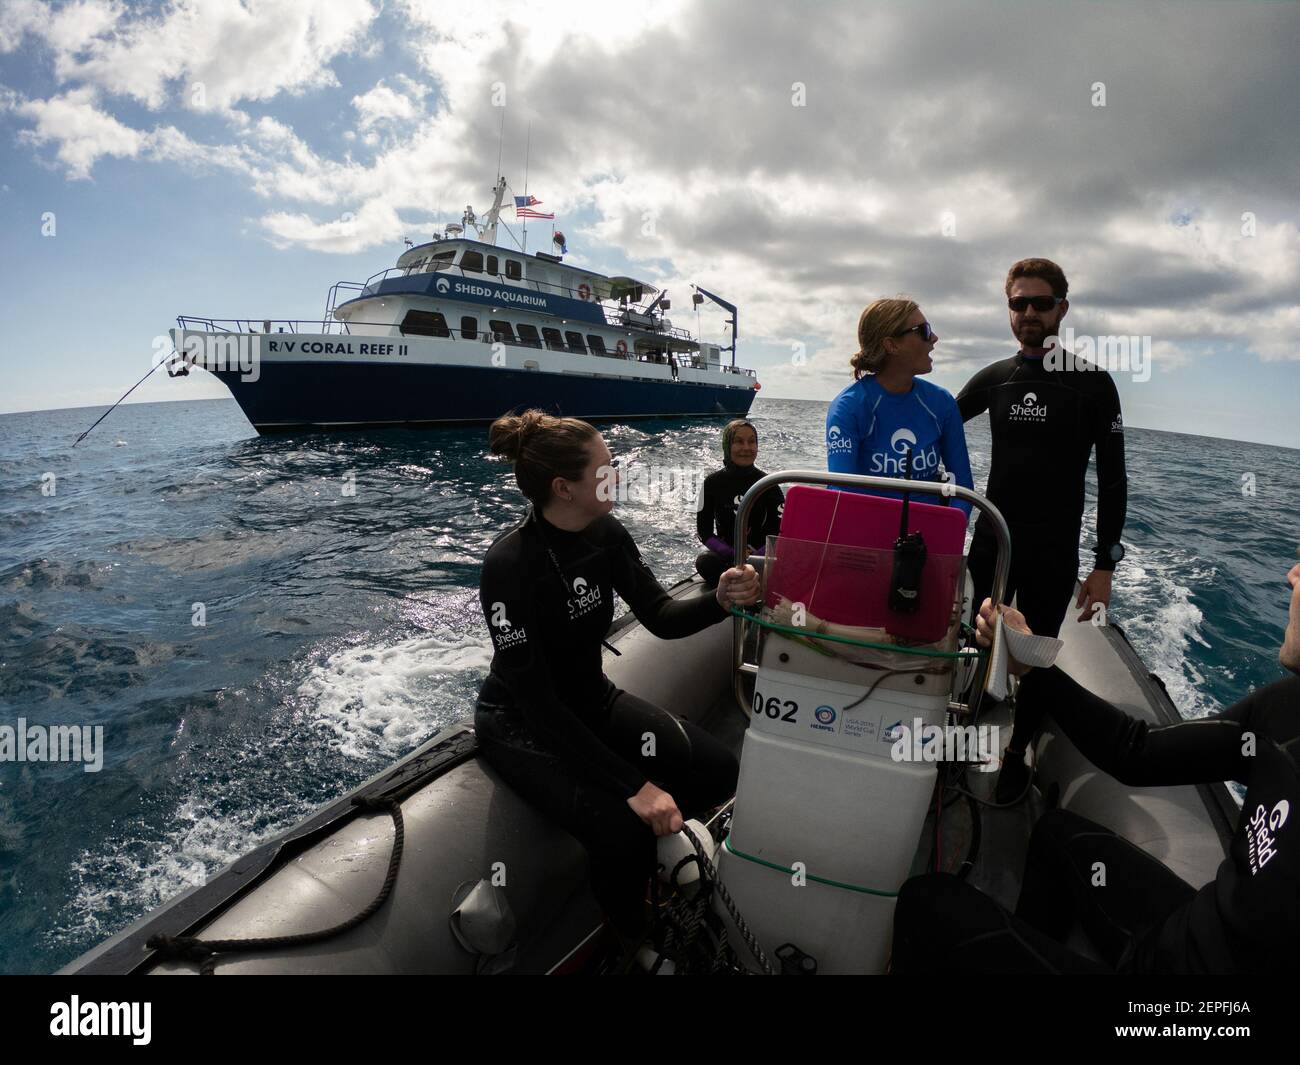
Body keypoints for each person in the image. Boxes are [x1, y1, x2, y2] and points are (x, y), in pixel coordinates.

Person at [892, 547, 1300, 974]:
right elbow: (1135, 751)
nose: (1290, 576)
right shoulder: (1287, 709)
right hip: (1186, 935)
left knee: (928, 904)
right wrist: (1030, 663)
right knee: (1057, 834)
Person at [475, 409, 759, 942]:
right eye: (606, 468)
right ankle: (637, 943)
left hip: (591, 699)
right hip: (520, 723)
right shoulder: (509, 566)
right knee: (621, 829)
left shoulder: (604, 533)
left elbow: (660, 616)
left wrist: (722, 600)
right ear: (564, 487)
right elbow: (537, 703)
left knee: (720, 768)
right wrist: (635, 785)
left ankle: (671, 869)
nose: (619, 475)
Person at [957, 259, 1127, 802]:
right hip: (991, 541)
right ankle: (959, 723)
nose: (1028, 312)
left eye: (1040, 302)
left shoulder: (1094, 386)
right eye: (1017, 303)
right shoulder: (994, 379)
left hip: (1053, 547)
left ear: (1062, 309)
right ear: (1008, 309)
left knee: (1033, 652)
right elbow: (934, 423)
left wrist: (1104, 565)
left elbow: (1114, 478)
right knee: (971, 634)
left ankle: (1015, 753)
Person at [825, 297, 973, 518]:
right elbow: (843, 492)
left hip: (927, 536)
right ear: (892, 345)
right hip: (866, 533)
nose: (933, 338)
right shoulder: (849, 407)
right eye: (923, 330)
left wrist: (949, 530)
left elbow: (962, 487)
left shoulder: (942, 402)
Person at [695, 419, 785, 587]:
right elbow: (704, 531)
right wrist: (734, 554)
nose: (746, 448)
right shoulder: (711, 483)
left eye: (752, 441)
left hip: (761, 559)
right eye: (738, 441)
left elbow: (781, 531)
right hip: (728, 559)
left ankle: (741, 586)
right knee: (704, 562)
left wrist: (754, 557)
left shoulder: (769, 484)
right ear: (727, 446)